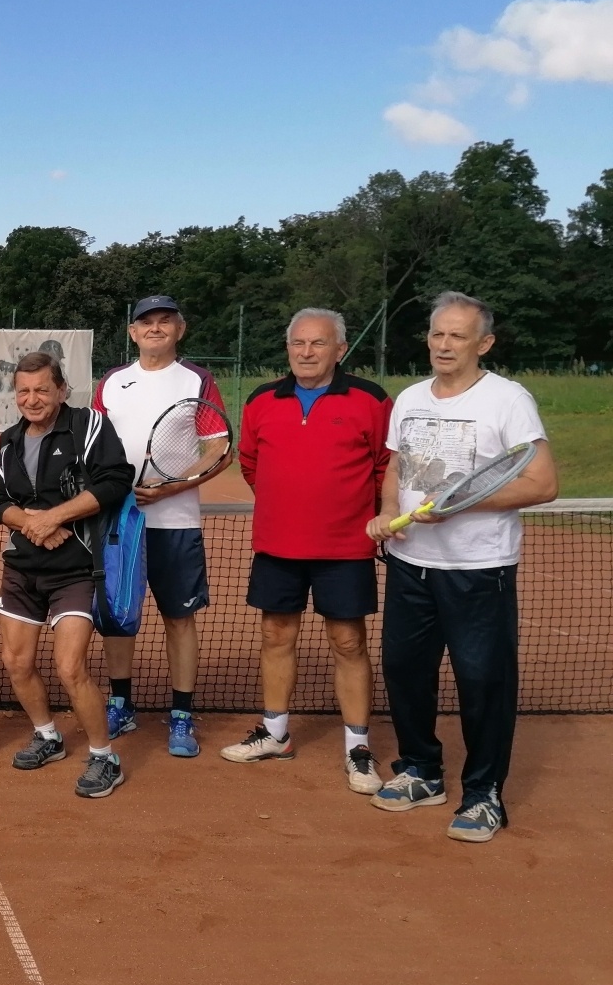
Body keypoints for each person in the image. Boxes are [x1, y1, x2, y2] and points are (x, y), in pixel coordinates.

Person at [367, 292, 558, 843]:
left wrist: (458, 504)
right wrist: (387, 512)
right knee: (404, 674)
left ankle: (483, 794)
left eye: (457, 335)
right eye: (437, 334)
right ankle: (422, 771)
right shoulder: (408, 398)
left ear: (484, 343)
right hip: (410, 565)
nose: (444, 345)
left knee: (482, 682)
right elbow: (398, 465)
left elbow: (541, 483)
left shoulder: (507, 400)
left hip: (480, 570)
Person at [223, 309, 391, 793]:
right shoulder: (261, 400)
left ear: (340, 349)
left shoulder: (371, 399)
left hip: (345, 547)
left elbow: (385, 466)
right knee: (276, 636)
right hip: (278, 544)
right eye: (298, 343)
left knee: (348, 642)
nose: (306, 352)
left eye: (318, 344)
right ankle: (275, 733)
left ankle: (357, 747)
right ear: (288, 347)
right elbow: (251, 464)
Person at [0, 351, 134, 796]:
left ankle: (105, 757)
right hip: (23, 569)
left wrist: (57, 518)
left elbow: (115, 480)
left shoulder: (88, 426)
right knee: (16, 662)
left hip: (76, 571)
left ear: (62, 390)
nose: (32, 399)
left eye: (42, 390)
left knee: (71, 668)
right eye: (24, 391)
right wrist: (33, 523)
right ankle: (47, 734)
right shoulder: (9, 440)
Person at [91, 295, 230, 758]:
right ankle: (120, 704)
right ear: (132, 332)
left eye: (164, 321)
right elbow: (94, 444)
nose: (154, 328)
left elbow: (216, 448)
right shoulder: (112, 382)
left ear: (180, 329)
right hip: (118, 520)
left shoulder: (197, 380)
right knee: (117, 616)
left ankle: (181, 715)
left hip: (176, 521)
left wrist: (173, 485)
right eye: (145, 322)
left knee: (179, 618)